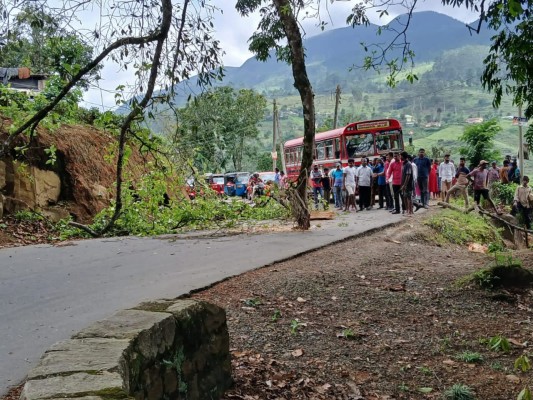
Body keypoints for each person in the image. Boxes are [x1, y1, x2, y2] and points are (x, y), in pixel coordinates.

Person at [400, 151, 414, 216]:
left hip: (408, 185)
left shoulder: (408, 164)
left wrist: (404, 185)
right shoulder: (404, 164)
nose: (400, 157)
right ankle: (407, 210)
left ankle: (410, 211)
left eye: (401, 156)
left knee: (409, 198)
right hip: (403, 184)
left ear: (403, 156)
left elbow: (408, 175)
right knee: (405, 197)